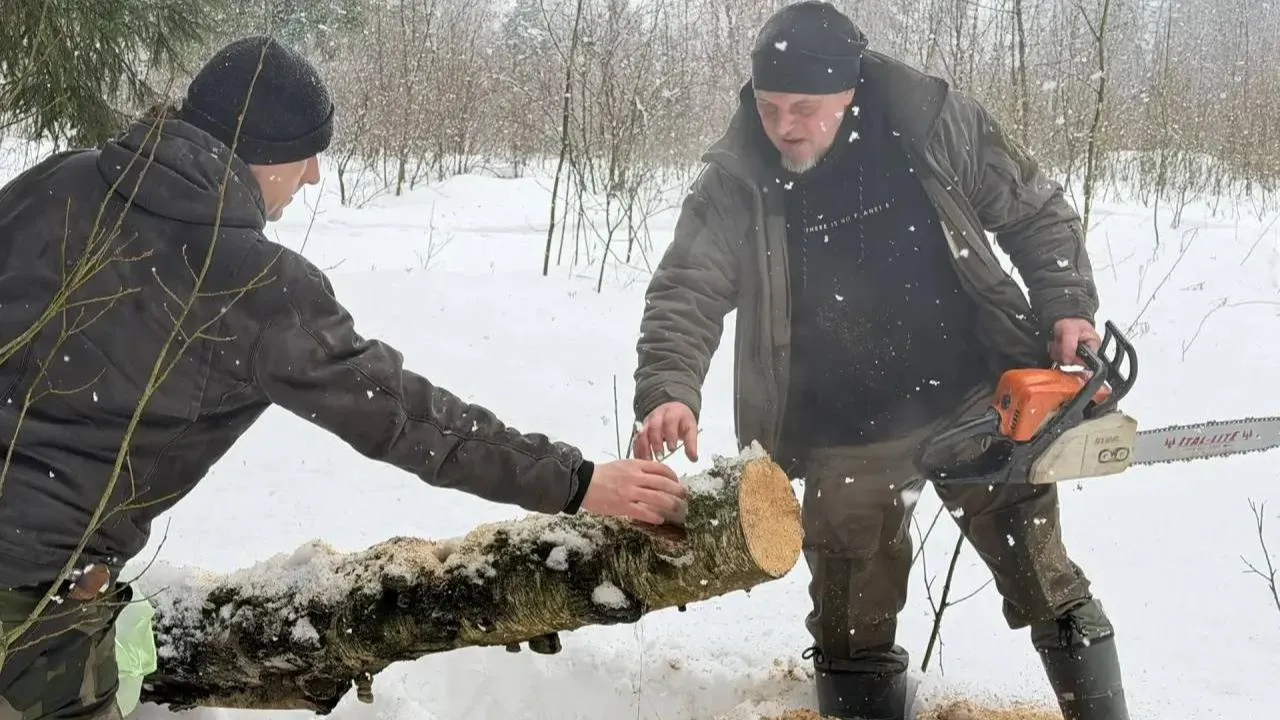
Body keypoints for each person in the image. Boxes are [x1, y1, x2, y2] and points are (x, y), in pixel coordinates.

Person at [0, 35, 687, 718]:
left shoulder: (58, 183)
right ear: (263, 152)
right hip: (32, 609)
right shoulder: (254, 286)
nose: (314, 177)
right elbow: (407, 419)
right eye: (306, 153)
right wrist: (576, 481)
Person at [629, 3, 1128, 720]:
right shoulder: (739, 174)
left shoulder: (929, 119)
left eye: (805, 107)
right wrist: (669, 389)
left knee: (1046, 580)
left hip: (976, 401)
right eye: (770, 107)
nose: (785, 127)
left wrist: (1066, 307)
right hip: (840, 429)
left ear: (850, 92)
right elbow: (687, 287)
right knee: (850, 624)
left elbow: (1035, 212)